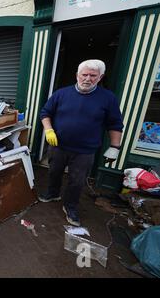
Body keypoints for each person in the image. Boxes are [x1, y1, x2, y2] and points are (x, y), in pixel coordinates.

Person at [38, 59, 124, 226]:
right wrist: (48, 129)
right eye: (84, 74)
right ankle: (53, 193)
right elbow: (45, 112)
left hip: (85, 150)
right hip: (58, 146)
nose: (87, 78)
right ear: (77, 75)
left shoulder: (108, 98)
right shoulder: (61, 94)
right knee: (54, 172)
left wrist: (115, 147)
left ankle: (70, 206)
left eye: (93, 75)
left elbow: (115, 124)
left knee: (77, 180)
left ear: (100, 77)